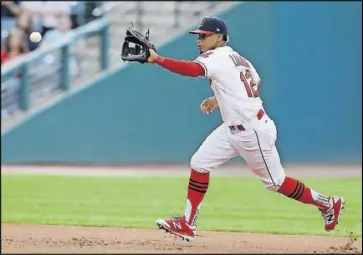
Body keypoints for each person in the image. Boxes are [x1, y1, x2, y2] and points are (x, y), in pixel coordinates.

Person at [146, 16, 345, 241]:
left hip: (252, 132)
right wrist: (218, 98)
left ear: (219, 37)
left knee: (276, 183)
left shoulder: (216, 57)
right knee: (199, 164)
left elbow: (193, 70)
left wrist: (158, 59)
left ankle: (327, 203)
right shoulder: (238, 58)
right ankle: (188, 223)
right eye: (198, 35)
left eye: (204, 35)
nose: (199, 40)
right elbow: (252, 84)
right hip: (232, 129)